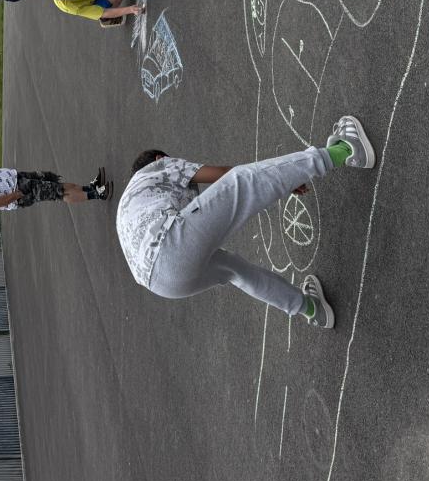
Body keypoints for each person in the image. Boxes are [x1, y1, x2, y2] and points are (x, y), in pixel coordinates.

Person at [114, 116, 377, 328]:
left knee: (236, 270)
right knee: (243, 181)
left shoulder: (134, 206)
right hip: (167, 245)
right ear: (160, 159)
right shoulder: (154, 169)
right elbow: (222, 177)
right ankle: (346, 149)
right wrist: (284, 178)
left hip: (162, 285)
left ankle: (311, 309)